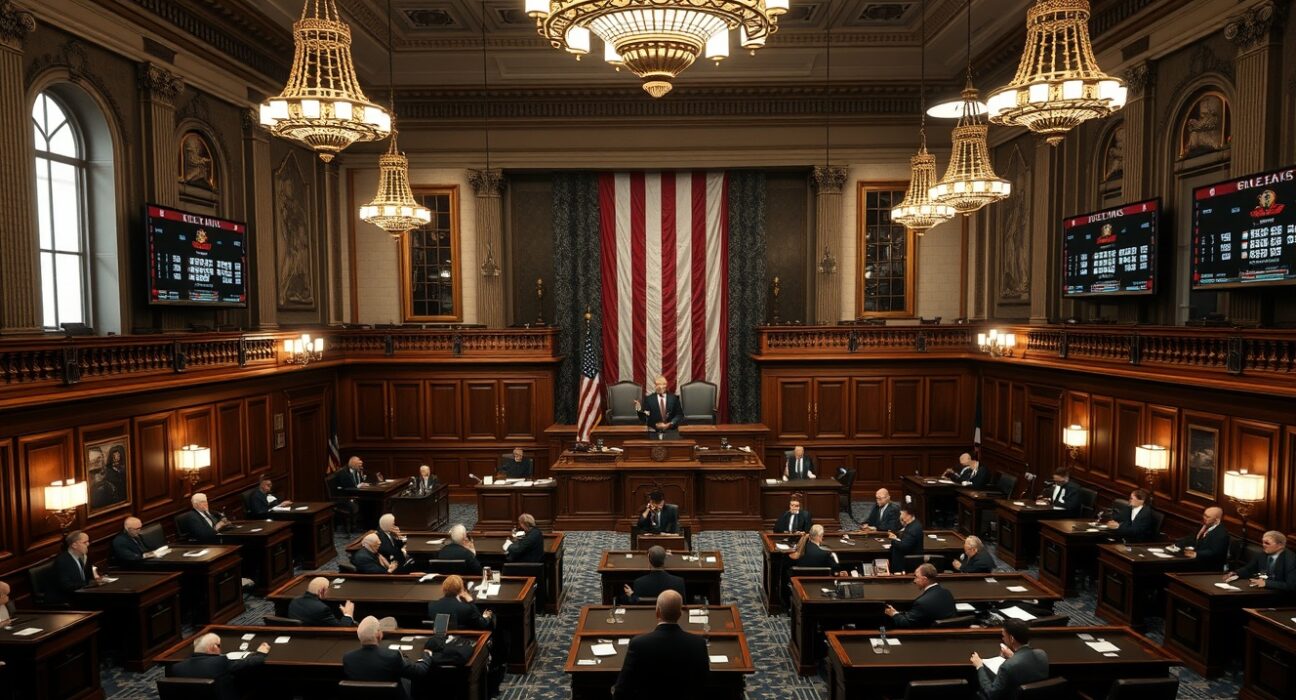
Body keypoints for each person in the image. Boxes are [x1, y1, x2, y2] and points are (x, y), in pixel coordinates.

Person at [613, 590, 708, 699]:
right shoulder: (698, 643)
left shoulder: (639, 644)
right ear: (680, 614)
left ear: (657, 612)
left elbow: (622, 690)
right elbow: (704, 683)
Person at [342, 616, 432, 700]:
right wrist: (426, 655)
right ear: (379, 635)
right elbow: (419, 671)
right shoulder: (392, 656)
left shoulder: (348, 658)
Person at [169, 632, 269, 700]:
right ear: (212, 648)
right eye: (219, 646)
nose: (221, 649)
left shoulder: (176, 667)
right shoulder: (220, 662)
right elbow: (250, 662)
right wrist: (261, 653)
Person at [971, 619, 1049, 700]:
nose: (1003, 639)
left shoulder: (1007, 666)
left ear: (1011, 638)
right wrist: (1013, 656)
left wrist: (979, 666)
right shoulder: (1042, 654)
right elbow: (1025, 665)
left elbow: (992, 693)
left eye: (1003, 636)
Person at [884, 563, 957, 628]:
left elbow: (906, 624)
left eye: (916, 577)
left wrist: (894, 614)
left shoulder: (922, 602)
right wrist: (897, 613)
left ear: (925, 579)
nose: (914, 580)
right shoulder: (947, 593)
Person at [1228, 530, 1296, 593]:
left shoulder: (1291, 560)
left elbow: (1291, 585)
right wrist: (1236, 573)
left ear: (1280, 545)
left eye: (1267, 543)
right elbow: (1249, 569)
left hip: (1283, 596)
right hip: (1263, 591)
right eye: (1263, 542)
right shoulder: (1262, 554)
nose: (1263, 545)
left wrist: (1266, 583)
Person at [621, 546, 686, 604]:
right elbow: (682, 604)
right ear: (664, 560)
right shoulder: (678, 582)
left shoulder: (639, 583)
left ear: (649, 561)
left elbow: (638, 603)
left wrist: (632, 595)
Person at [50, 530, 100, 605]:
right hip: (66, 599)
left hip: (82, 593)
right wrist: (88, 584)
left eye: (88, 541)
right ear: (74, 545)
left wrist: (96, 579)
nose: (88, 544)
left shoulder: (84, 557)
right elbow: (67, 586)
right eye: (85, 542)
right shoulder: (62, 561)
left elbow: (89, 578)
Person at [427, 575, 494, 630]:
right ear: (461, 589)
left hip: (441, 640)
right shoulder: (466, 608)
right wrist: (471, 602)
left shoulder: (432, 605)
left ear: (443, 588)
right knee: (493, 617)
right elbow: (482, 624)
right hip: (465, 640)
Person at [1175, 506, 1230, 570]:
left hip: (1208, 566)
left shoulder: (1221, 533)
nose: (1204, 518)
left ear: (1217, 519)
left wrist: (1197, 554)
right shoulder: (1204, 525)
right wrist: (1177, 544)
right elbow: (1192, 538)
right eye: (1204, 515)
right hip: (1195, 560)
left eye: (1208, 517)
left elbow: (1215, 552)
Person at [289, 576, 356, 626]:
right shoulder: (322, 609)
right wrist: (348, 614)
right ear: (322, 591)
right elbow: (341, 627)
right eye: (328, 589)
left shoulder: (294, 601)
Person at [888, 505, 924, 573]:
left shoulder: (913, 529)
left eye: (901, 514)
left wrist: (893, 540)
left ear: (908, 515)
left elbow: (904, 546)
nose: (900, 516)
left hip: (906, 563)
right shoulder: (913, 524)